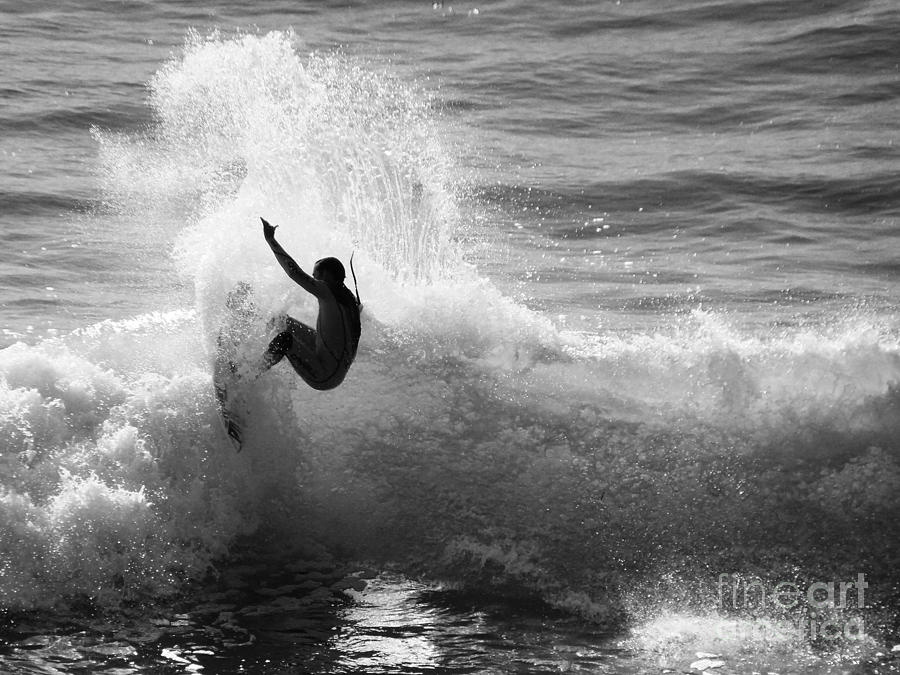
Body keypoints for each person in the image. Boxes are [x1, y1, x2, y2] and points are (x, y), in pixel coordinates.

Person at [257, 217, 361, 390]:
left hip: (324, 374)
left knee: (285, 340)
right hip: (329, 359)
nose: (313, 280)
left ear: (326, 275)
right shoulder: (348, 298)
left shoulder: (328, 291)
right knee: (280, 320)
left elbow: (294, 272)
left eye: (315, 276)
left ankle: (247, 374)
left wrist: (271, 240)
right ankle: (277, 361)